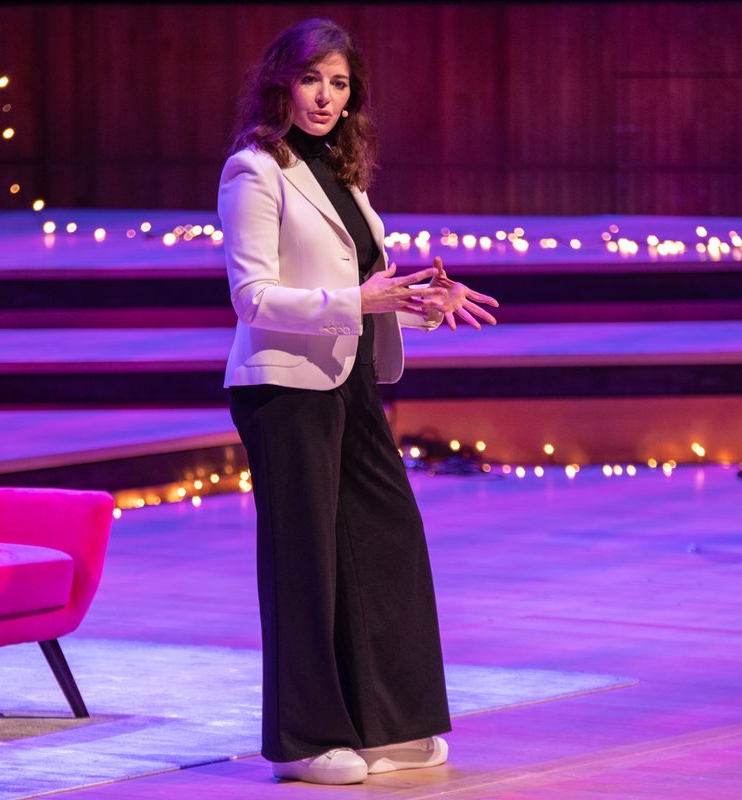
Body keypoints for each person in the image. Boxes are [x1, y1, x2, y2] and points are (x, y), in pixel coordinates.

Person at [219, 18, 499, 786]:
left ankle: (385, 722)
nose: (325, 96)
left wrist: (422, 303)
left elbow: (366, 294)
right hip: (284, 389)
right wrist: (359, 296)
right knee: (304, 563)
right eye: (312, 79)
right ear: (283, 81)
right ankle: (304, 740)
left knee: (386, 542)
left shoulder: (344, 171)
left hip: (350, 381)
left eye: (339, 83)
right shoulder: (254, 169)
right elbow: (254, 299)